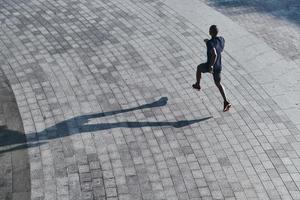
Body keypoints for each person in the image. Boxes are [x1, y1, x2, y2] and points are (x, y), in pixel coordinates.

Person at [192, 25, 231, 112]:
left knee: (199, 68)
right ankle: (226, 101)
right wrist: (207, 42)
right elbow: (218, 49)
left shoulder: (210, 43)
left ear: (210, 32)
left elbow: (214, 54)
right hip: (219, 66)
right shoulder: (221, 39)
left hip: (211, 66)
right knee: (218, 83)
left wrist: (211, 65)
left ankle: (198, 84)